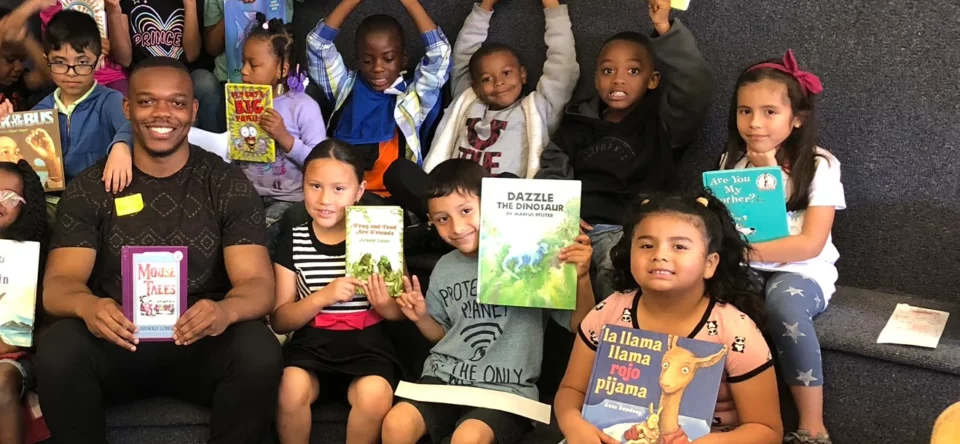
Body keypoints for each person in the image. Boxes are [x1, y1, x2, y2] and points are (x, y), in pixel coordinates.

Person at [33, 56, 283, 444]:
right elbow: (59, 285)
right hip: (118, 339)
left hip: (201, 340)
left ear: (194, 110)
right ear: (127, 107)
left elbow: (257, 285)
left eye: (177, 102)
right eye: (147, 102)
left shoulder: (226, 182)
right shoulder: (91, 187)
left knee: (258, 350)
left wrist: (224, 311)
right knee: (57, 348)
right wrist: (89, 306)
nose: (162, 113)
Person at [380, 159, 596, 444]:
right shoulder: (446, 266)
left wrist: (581, 278)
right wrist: (421, 317)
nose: (457, 227)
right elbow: (442, 336)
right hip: (443, 378)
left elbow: (580, 324)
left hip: (507, 390)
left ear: (492, 206)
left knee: (468, 437)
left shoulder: (533, 258)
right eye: (443, 219)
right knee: (396, 423)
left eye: (467, 211)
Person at [554, 192, 782, 444]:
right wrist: (574, 425)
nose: (659, 255)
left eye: (679, 246)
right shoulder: (609, 312)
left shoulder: (735, 331)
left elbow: (767, 430)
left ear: (710, 263)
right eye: (646, 245)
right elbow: (571, 390)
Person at [535, 0, 713, 302]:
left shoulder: (663, 121)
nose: (618, 79)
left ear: (653, 80)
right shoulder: (578, 121)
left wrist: (664, 29)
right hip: (574, 226)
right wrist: (558, 214)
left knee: (614, 264)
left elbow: (695, 86)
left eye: (633, 70)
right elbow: (552, 168)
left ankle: (611, 336)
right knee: (533, 264)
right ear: (596, 79)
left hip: (628, 229)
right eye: (607, 70)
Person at [104, 14, 327, 251]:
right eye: (243, 62)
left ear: (282, 68)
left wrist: (285, 138)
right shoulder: (240, 100)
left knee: (261, 233)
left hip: (287, 199)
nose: (244, 71)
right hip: (245, 191)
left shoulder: (303, 106)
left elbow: (320, 162)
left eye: (253, 64)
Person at [718, 50, 844, 444]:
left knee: (784, 306)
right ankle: (720, 413)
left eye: (770, 112)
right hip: (745, 267)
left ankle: (812, 426)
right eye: (745, 111)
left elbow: (809, 243)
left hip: (801, 270)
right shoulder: (731, 164)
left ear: (797, 118)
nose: (754, 123)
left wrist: (742, 252)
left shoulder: (820, 165)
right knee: (709, 302)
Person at [272, 139, 405, 444]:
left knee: (375, 395)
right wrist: (323, 296)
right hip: (312, 344)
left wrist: (385, 303)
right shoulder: (293, 240)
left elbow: (398, 314)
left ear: (359, 191)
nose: (324, 199)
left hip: (368, 346)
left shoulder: (380, 235)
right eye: (315, 186)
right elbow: (280, 320)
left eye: (339, 189)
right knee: (289, 386)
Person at [306, 0, 451, 215]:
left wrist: (409, 3)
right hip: (343, 199)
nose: (377, 68)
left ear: (403, 59)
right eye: (367, 60)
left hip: (396, 200)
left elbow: (440, 54)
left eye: (389, 59)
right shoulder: (345, 87)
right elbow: (318, 45)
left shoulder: (413, 97)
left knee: (401, 175)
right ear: (357, 61)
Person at [422, 0, 578, 178]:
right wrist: (485, 6)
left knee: (506, 180)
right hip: (459, 196)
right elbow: (462, 56)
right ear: (476, 86)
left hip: (507, 199)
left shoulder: (539, 108)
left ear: (523, 75)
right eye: (487, 78)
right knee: (402, 174)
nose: (498, 83)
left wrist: (551, 6)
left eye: (506, 72)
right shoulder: (467, 99)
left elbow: (562, 66)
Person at [0, 7, 131, 189]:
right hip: (54, 199)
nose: (71, 73)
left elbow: (131, 128)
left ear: (99, 60)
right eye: (60, 63)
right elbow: (21, 165)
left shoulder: (110, 100)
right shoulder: (40, 111)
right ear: (48, 60)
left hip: (102, 194)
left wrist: (122, 145)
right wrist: (6, 127)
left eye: (82, 62)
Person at [104, 0, 221, 132]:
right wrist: (113, 11)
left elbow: (192, 54)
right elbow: (124, 59)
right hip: (145, 77)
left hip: (184, 75)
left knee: (205, 82)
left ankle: (217, 147)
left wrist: (190, 6)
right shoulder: (126, 3)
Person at [0, 160, 50, 444]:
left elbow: (17, 338)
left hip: (13, 356)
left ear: (25, 206)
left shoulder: (29, 256)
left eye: (9, 197)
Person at [200, 0, 295, 133]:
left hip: (278, 84)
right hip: (229, 83)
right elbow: (211, 48)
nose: (244, 70)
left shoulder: (301, 105)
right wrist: (232, 7)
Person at [39, 2, 128, 95]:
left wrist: (113, 10)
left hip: (112, 77)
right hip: (69, 83)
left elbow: (125, 59)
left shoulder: (113, 3)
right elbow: (54, 44)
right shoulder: (53, 4)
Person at [0, 1, 54, 111]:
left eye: (22, 60)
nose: (19, 67)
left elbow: (49, 74)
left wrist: (26, 38)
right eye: (10, 60)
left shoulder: (18, 84)